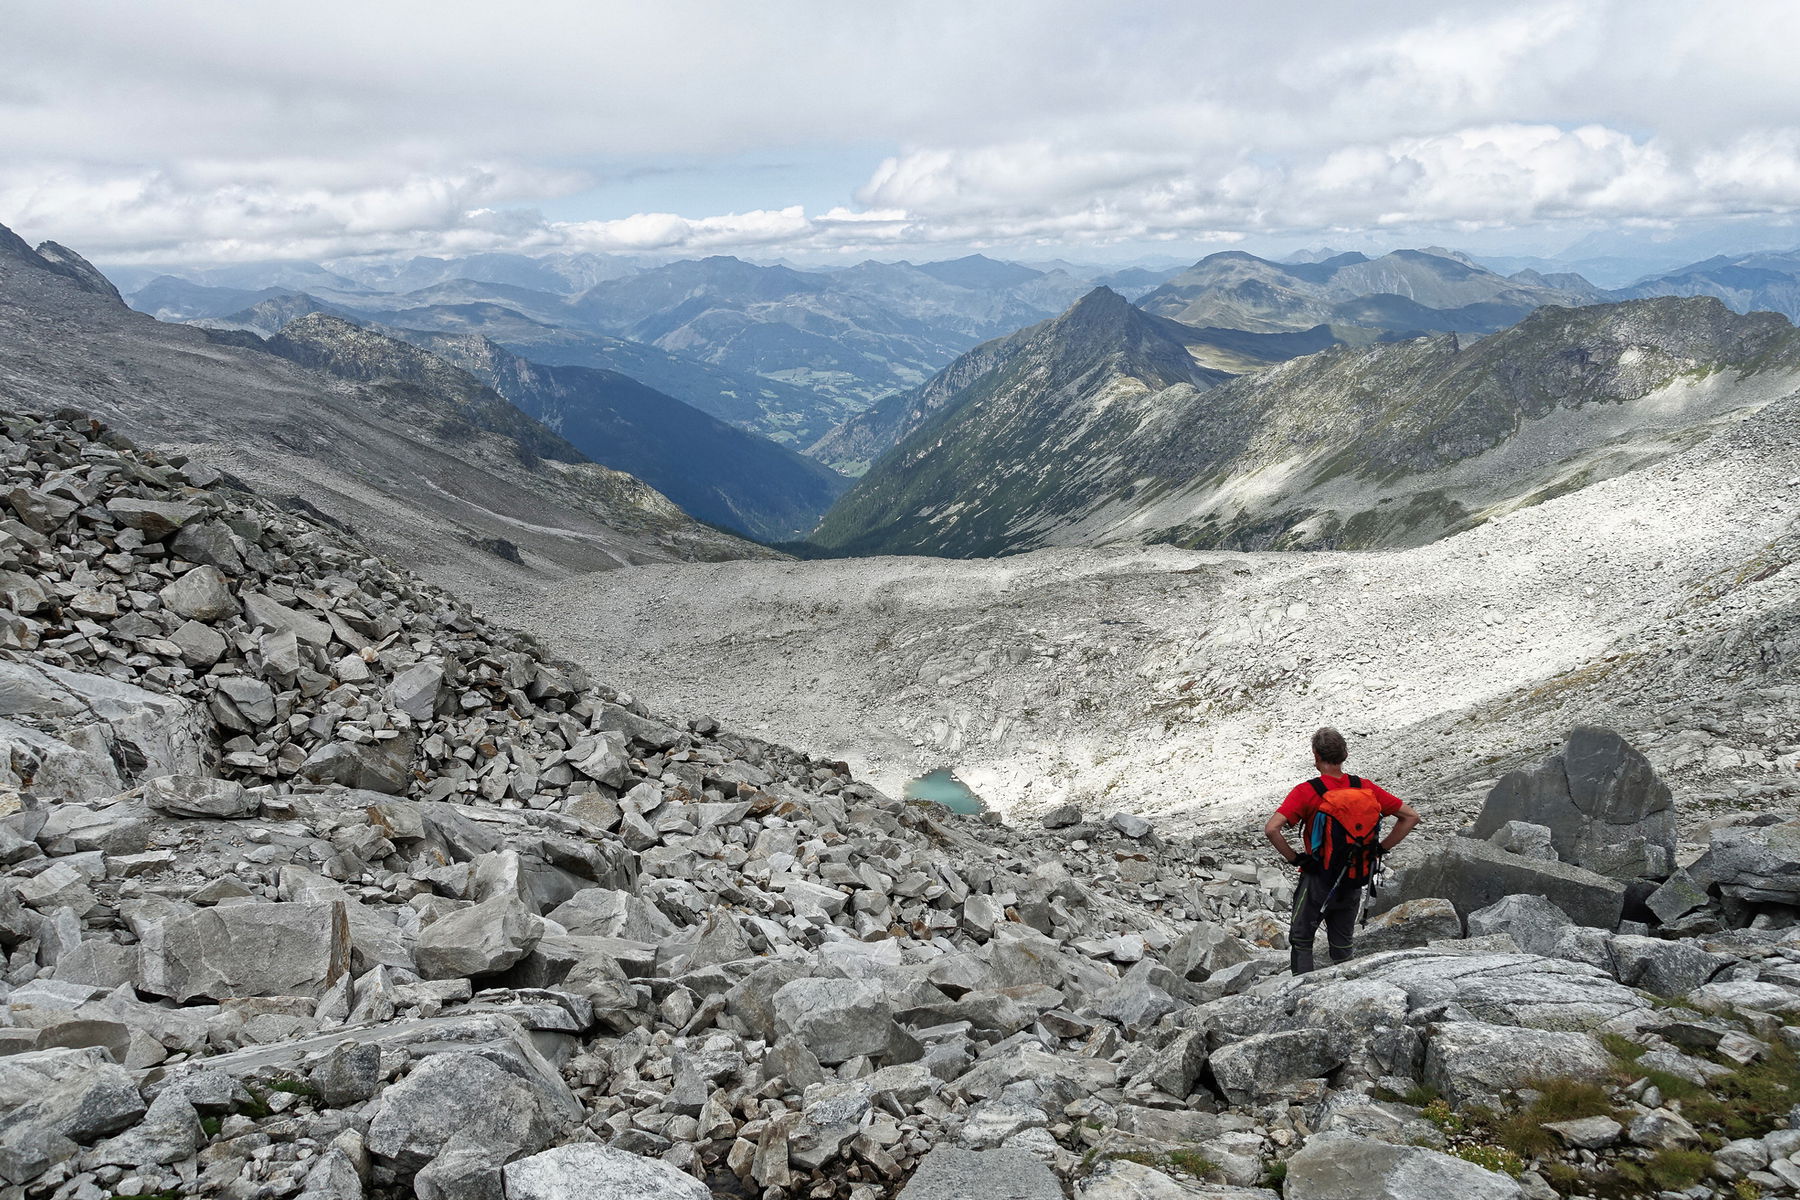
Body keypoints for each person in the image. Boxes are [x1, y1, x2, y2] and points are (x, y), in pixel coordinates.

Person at [1263, 726, 1420, 974]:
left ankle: (1300, 993)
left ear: (1316, 756)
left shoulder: (1307, 791)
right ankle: (1345, 984)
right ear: (1344, 754)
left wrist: (1296, 859)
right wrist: (1379, 849)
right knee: (1342, 945)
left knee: (1302, 939)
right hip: (1354, 876)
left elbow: (1272, 829)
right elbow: (1410, 817)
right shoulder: (1364, 787)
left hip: (1318, 878)